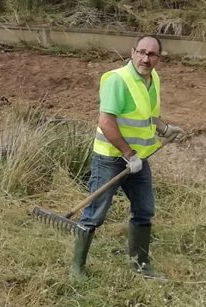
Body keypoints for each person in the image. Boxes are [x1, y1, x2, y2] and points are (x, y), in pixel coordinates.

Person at [70, 35, 185, 280]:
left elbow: (148, 116)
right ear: (132, 52)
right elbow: (106, 122)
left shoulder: (152, 78)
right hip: (111, 158)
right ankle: (77, 267)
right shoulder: (117, 80)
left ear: (158, 58)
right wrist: (128, 154)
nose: (146, 58)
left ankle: (140, 264)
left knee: (145, 210)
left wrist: (165, 129)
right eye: (141, 52)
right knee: (95, 213)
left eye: (151, 54)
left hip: (138, 160)